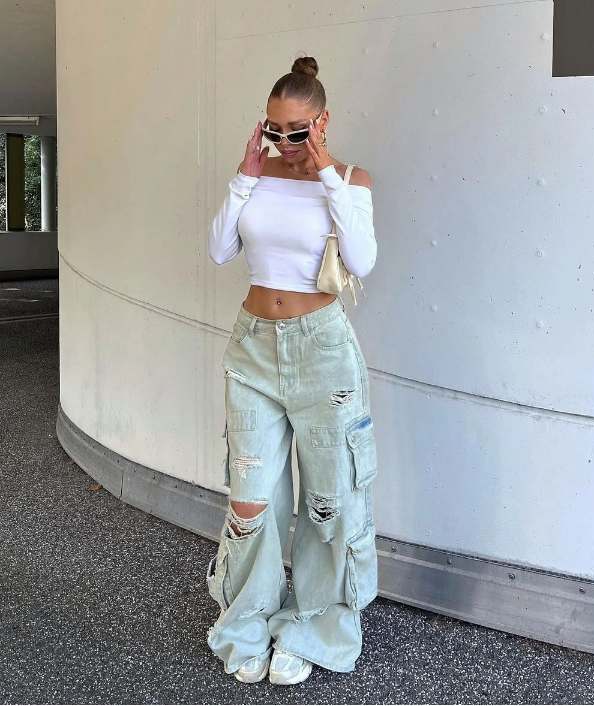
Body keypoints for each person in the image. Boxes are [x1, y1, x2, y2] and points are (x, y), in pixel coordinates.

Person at [205, 55, 379, 685]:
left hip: (321, 350)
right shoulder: (258, 173)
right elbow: (221, 249)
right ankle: (247, 620)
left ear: (322, 121)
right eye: (274, 130)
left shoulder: (351, 179)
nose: (285, 142)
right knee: (251, 499)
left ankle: (315, 626)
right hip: (253, 346)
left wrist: (326, 171)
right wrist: (247, 175)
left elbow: (363, 257)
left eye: (297, 131)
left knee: (329, 500)